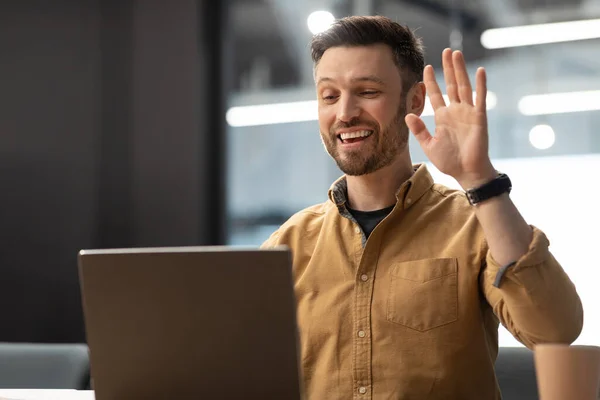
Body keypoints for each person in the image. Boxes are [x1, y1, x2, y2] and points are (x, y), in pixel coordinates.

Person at [261, 15, 583, 399]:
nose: (344, 112)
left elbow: (555, 330)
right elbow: (241, 365)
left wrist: (478, 178)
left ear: (413, 101)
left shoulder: (475, 226)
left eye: (366, 91)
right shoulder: (289, 243)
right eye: (329, 95)